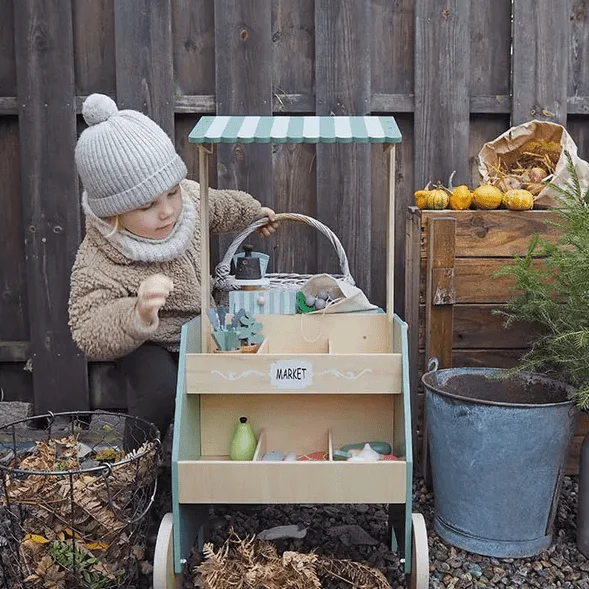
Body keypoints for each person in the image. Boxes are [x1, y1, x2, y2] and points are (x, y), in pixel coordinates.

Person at [68, 93, 277, 443]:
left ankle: (215, 462)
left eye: (171, 193)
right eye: (148, 205)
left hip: (202, 325)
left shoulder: (188, 203)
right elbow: (87, 326)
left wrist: (253, 213)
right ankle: (138, 466)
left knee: (230, 378)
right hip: (148, 342)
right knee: (160, 391)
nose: (167, 211)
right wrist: (136, 310)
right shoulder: (100, 255)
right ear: (112, 213)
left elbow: (218, 205)